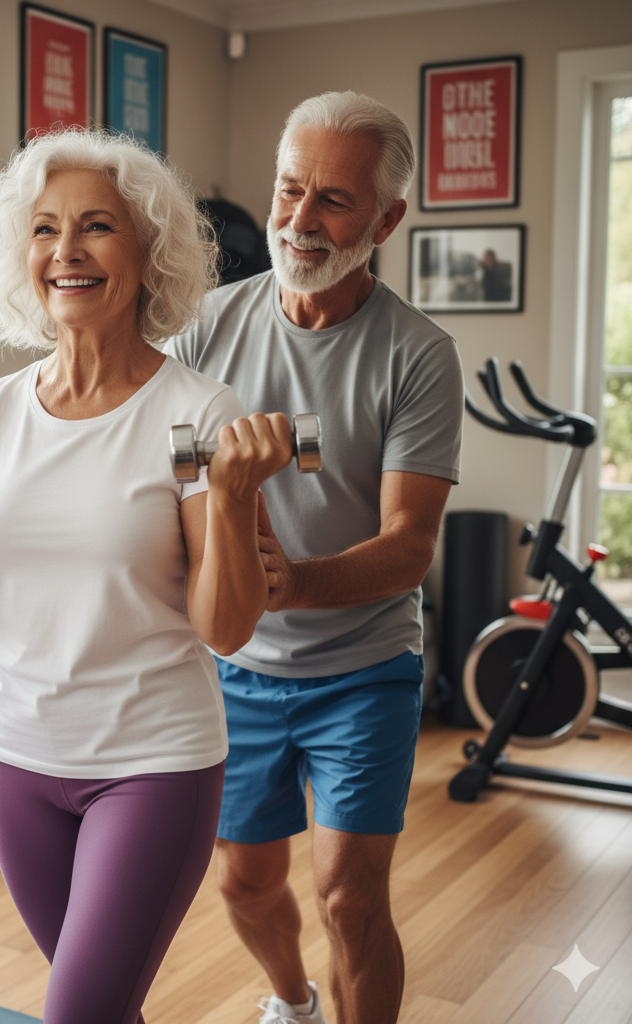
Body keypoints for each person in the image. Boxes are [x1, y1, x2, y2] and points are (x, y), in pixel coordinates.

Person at [0, 129, 294, 1024]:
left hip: (151, 763)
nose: (65, 251)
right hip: (11, 758)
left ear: (149, 254)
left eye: (96, 227)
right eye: (44, 230)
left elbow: (223, 628)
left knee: (80, 1012)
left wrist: (229, 499)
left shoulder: (196, 413)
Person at [165, 91, 464, 1024]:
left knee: (348, 894)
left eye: (333, 200)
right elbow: (161, 478)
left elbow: (411, 545)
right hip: (236, 669)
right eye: (291, 189)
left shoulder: (418, 355)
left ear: (387, 219)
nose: (299, 220)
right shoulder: (208, 327)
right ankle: (291, 1002)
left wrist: (293, 585)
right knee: (244, 885)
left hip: (364, 667)